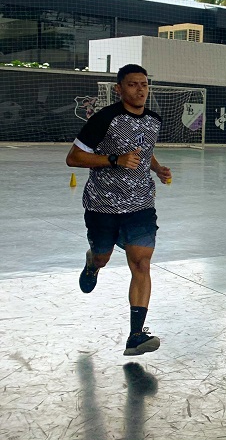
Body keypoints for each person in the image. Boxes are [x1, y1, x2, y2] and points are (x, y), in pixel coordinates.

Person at [66, 64, 171, 356]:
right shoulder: (104, 119)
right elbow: (73, 158)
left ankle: (136, 335)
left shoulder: (153, 120)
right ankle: (92, 263)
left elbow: (143, 152)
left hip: (140, 204)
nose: (140, 90)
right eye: (133, 84)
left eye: (144, 84)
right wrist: (114, 159)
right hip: (103, 205)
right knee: (103, 257)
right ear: (119, 89)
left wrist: (157, 168)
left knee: (141, 263)